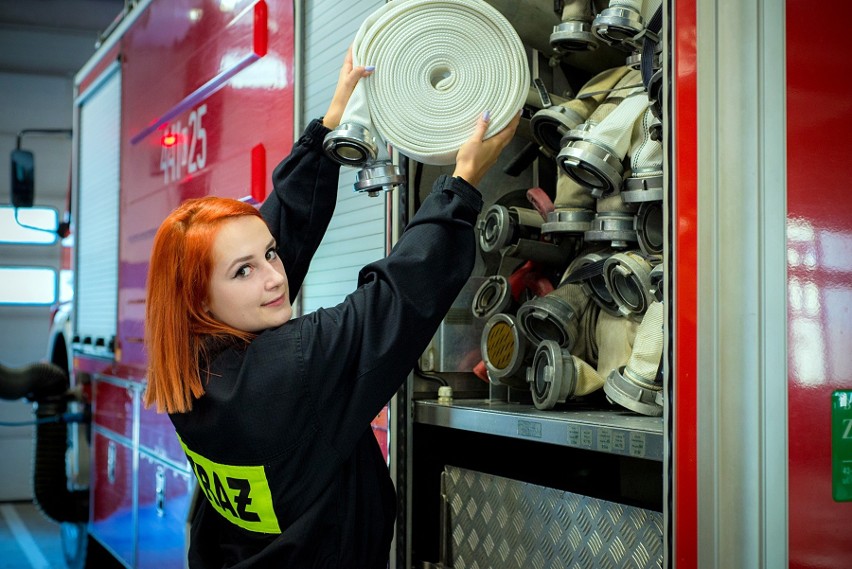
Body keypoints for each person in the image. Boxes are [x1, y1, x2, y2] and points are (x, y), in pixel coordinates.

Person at [143, 47, 520, 569]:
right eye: (244, 271)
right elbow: (393, 303)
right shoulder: (284, 373)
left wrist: (327, 132)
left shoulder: (190, 361)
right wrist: (460, 187)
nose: (276, 277)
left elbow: (273, 232)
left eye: (269, 255)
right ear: (200, 298)